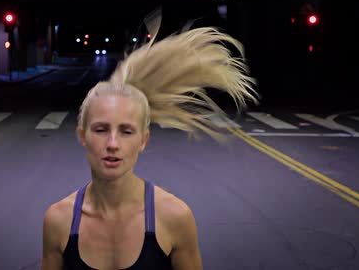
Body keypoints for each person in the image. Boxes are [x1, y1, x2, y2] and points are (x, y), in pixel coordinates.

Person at [41, 27, 258, 270]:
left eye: (126, 131)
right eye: (101, 130)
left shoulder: (175, 217)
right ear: (82, 136)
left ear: (144, 140)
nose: (113, 144)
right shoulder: (58, 221)